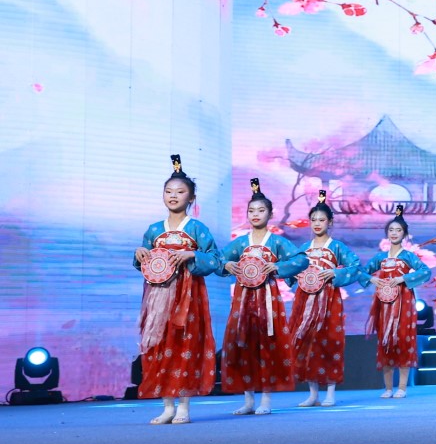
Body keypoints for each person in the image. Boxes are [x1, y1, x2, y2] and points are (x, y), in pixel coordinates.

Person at [133, 154, 220, 425]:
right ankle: (167, 405)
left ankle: (183, 405)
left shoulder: (197, 228)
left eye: (180, 192)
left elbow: (215, 259)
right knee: (159, 345)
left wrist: (192, 255)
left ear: (191, 198)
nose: (173, 196)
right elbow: (144, 263)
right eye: (168, 191)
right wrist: (140, 254)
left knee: (185, 344)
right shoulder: (153, 230)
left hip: (187, 294)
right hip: (158, 296)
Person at [216, 178, 308, 415]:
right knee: (243, 344)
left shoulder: (277, 242)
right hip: (243, 299)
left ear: (270, 214)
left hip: (268, 298)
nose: (255, 214)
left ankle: (266, 399)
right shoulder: (240, 243)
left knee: (267, 345)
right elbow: (218, 259)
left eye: (260, 210)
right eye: (251, 211)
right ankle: (248, 400)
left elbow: (301, 260)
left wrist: (277, 267)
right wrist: (227, 265)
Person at [289, 191, 366, 408]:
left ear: (330, 222)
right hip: (305, 300)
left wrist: (334, 273)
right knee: (308, 343)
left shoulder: (337, 246)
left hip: (329, 299)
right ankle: (313, 393)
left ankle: (330, 391)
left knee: (330, 341)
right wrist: (295, 274)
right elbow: (290, 269)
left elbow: (355, 266)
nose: (317, 223)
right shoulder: (304, 249)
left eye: (321, 220)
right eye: (313, 219)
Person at [363, 204, 432, 399]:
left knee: (403, 340)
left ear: (405, 234)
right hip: (384, 305)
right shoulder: (380, 257)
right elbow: (361, 271)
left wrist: (403, 278)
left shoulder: (408, 256)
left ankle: (402, 387)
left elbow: (426, 271)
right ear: (387, 233)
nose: (394, 233)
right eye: (391, 230)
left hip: (404, 304)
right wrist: (372, 279)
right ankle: (387, 388)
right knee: (385, 341)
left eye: (398, 230)